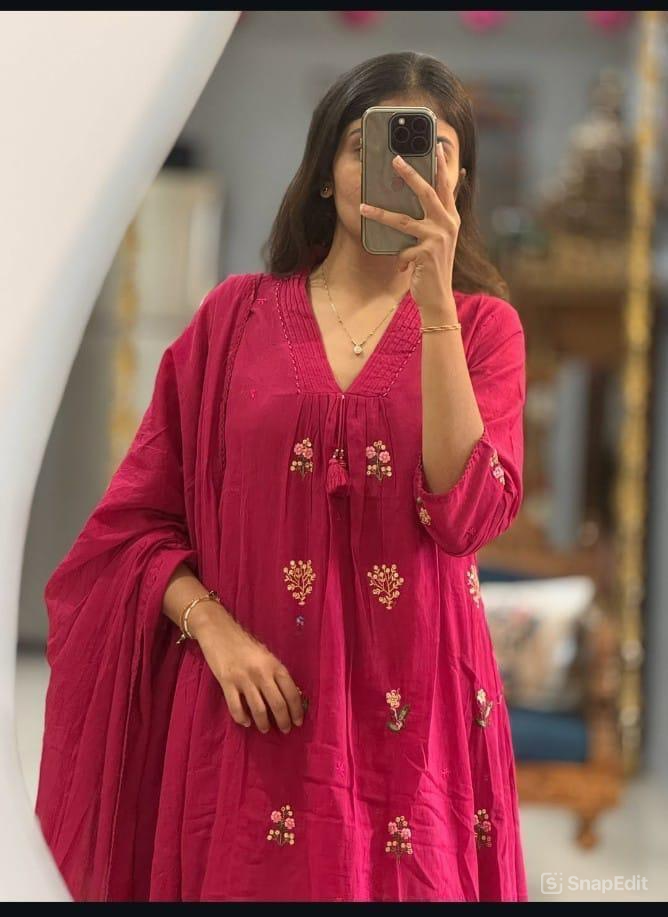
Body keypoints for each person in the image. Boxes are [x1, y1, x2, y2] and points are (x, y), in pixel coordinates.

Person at [35, 50, 529, 902]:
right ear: (325, 174)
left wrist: (436, 305)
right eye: (368, 145)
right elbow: (133, 528)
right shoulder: (233, 319)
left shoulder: (484, 330)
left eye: (434, 150)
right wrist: (216, 633)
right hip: (248, 716)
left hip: (415, 727)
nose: (403, 169)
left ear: (460, 184)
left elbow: (464, 515)